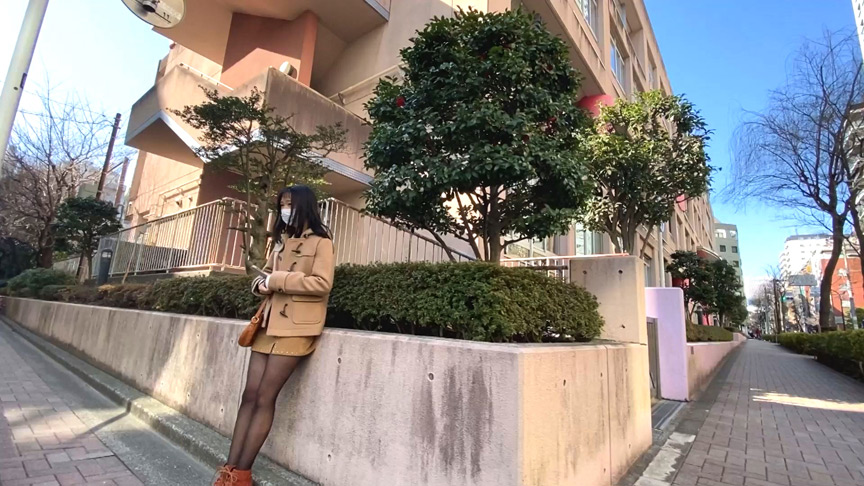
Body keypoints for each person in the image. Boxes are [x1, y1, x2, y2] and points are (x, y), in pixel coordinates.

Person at [215, 185, 335, 486]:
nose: (285, 209)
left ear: (304, 205)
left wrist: (277, 280)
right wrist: (260, 285)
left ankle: (242, 474)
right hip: (268, 326)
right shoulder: (282, 242)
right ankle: (229, 470)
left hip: (296, 328)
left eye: (289, 203)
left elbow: (322, 284)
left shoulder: (322, 242)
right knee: (249, 395)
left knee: (265, 397)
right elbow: (264, 275)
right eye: (281, 204)